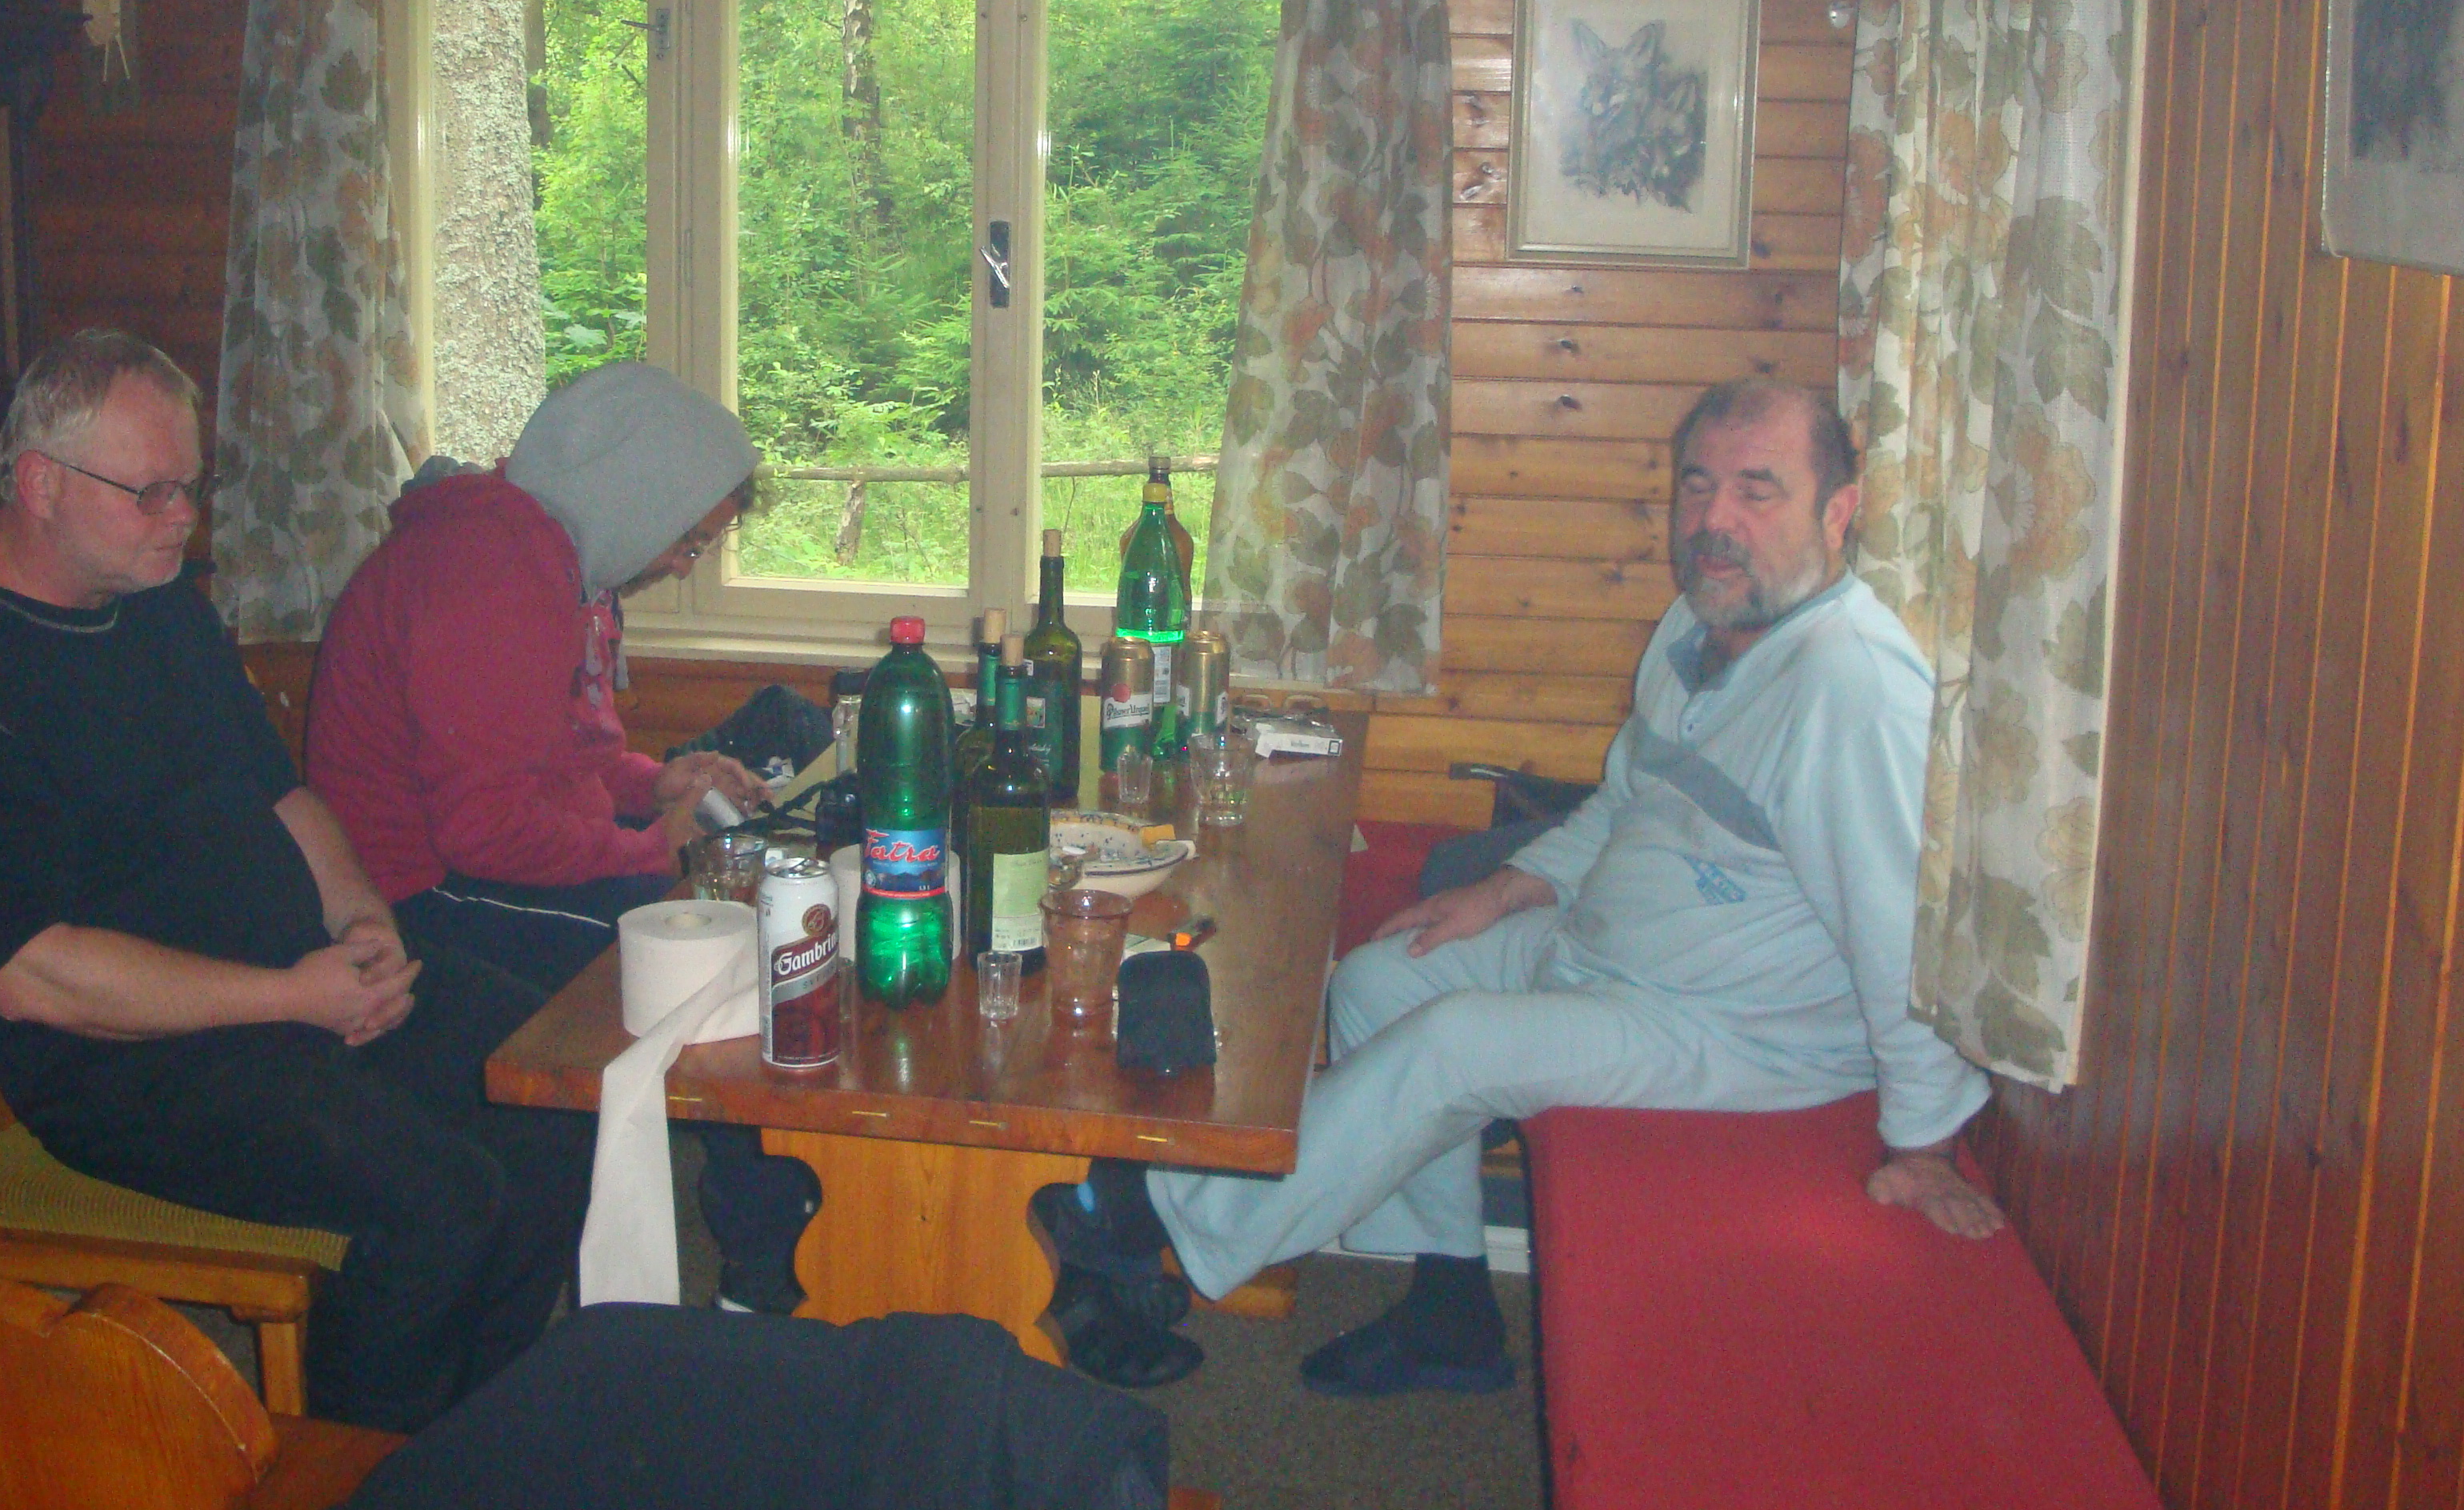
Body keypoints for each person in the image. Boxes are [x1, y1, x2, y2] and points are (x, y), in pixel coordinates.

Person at [1034, 378, 2004, 1392]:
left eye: (1758, 490)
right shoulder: (1694, 630)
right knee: (1385, 977)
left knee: (1455, 1045)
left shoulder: (1850, 684)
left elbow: (1904, 930)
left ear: (1838, 512)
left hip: (1737, 1026)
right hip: (1605, 950)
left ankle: (1142, 1221)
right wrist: (1502, 891)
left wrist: (1926, 1141)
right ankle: (1450, 1308)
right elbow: (1623, 804)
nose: (1716, 520)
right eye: (1698, 485)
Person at [0, 330, 591, 1434]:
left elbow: (281, 797)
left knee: (553, 1087)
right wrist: (295, 996)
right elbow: (34, 975)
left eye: (191, 488)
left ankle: (471, 1440)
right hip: (133, 1066)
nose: (182, 519)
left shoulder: (157, 604)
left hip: (296, 987)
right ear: (40, 484)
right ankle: (353, 1495)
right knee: (442, 1204)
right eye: (151, 492)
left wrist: (362, 919)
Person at [306, 359, 821, 1313]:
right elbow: (483, 830)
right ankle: (764, 1276)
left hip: (476, 864)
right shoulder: (489, 572)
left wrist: (660, 784)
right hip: (414, 897)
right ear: (636, 491)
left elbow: (570, 759)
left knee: (723, 944)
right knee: (709, 971)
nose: (685, 562)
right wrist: (650, 849)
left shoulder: (554, 557)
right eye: (691, 537)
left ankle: (773, 1246)